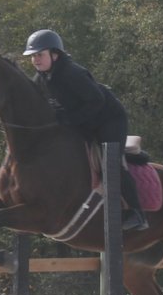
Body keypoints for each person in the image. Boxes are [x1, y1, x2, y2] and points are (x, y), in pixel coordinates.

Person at [23, 29, 148, 231]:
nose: (36, 60)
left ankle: (137, 213)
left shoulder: (72, 73)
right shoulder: (42, 77)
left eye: (40, 55)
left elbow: (96, 101)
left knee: (110, 163)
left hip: (109, 119)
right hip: (84, 120)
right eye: (33, 56)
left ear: (55, 54)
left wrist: (69, 120)